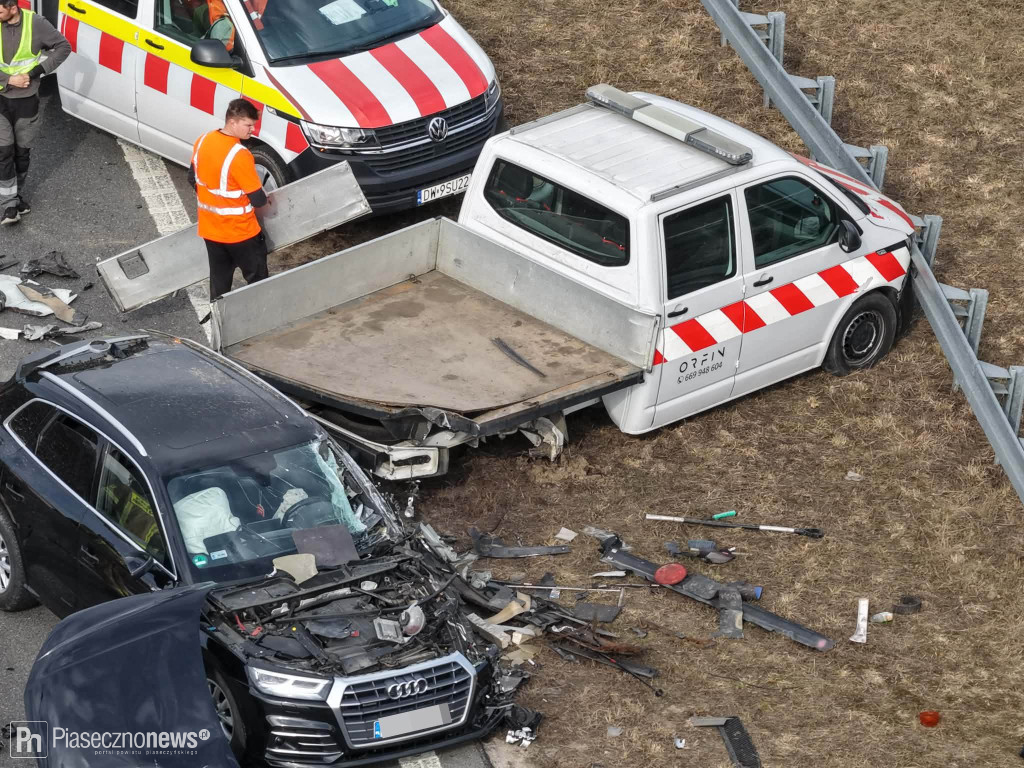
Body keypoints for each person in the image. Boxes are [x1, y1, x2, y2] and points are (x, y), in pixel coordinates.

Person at [189, 99, 270, 302]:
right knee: (258, 282)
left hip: (211, 231)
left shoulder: (203, 140)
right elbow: (258, 199)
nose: (252, 130)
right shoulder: (239, 155)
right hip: (242, 234)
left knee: (219, 283)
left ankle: (220, 324)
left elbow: (192, 178)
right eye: (248, 125)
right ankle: (259, 319)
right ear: (233, 122)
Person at [0, 0, 70, 226]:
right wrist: (9, 79)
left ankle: (14, 197)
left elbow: (63, 47)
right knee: (4, 152)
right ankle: (9, 205)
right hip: (1, 98)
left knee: (22, 154)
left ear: (12, 7)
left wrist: (37, 71)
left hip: (27, 101)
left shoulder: (36, 23)